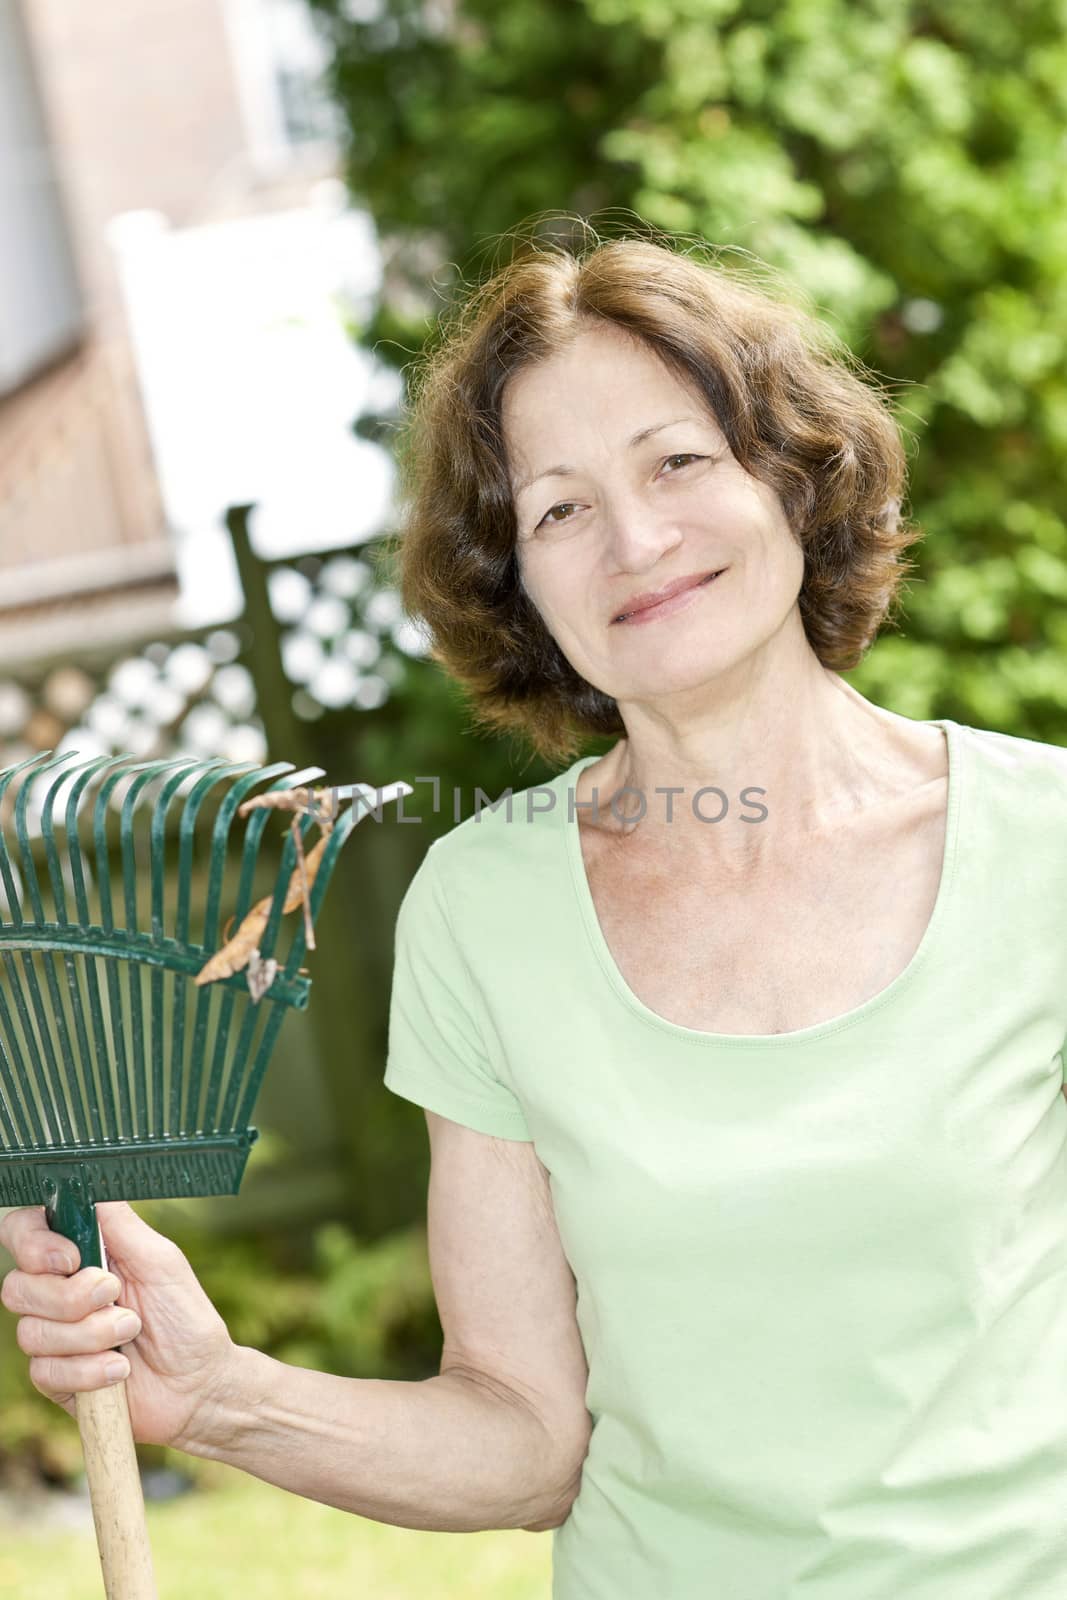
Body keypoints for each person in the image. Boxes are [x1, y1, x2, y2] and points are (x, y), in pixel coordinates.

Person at [4, 223, 1067, 1598]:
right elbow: (525, 1439)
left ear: (792, 482)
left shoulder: (1041, 844)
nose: (636, 540)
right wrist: (218, 1396)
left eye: (679, 461)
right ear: (521, 583)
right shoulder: (487, 911)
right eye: (559, 509)